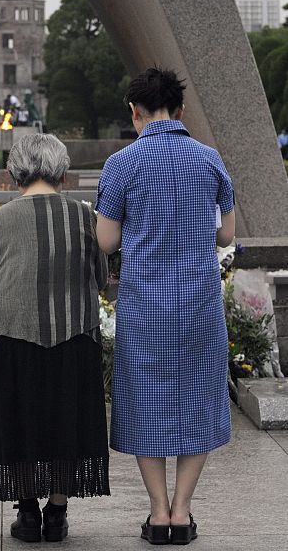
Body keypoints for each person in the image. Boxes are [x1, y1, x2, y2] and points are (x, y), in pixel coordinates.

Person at [95, 67, 235, 546]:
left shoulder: (121, 164)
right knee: (199, 401)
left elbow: (106, 239)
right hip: (198, 305)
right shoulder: (210, 160)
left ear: (135, 112)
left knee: (144, 405)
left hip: (145, 308)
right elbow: (226, 234)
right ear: (180, 111)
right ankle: (183, 510)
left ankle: (157, 514)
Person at [0, 133, 110, 543]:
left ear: (15, 171)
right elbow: (102, 277)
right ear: (62, 172)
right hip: (74, 337)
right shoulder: (87, 218)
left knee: (20, 421)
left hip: (13, 338)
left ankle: (28, 513)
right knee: (66, 423)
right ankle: (58, 513)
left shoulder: (1, 219)